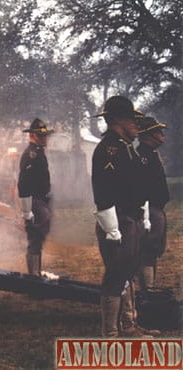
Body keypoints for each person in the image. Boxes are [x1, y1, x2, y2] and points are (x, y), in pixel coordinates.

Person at [91, 95, 159, 337]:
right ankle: (110, 332)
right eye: (132, 119)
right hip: (117, 219)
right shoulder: (108, 149)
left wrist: (144, 214)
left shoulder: (124, 146)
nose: (136, 125)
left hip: (131, 217)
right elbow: (104, 190)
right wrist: (111, 229)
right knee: (116, 273)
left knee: (128, 271)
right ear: (118, 119)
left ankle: (129, 325)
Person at [17, 118, 54, 276]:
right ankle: (34, 276)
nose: (44, 138)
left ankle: (36, 273)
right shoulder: (31, 154)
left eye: (45, 135)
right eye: (40, 135)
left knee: (39, 237)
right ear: (32, 135)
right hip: (34, 201)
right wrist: (27, 211)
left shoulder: (38, 152)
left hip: (41, 199)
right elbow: (23, 184)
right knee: (35, 238)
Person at [136, 116, 169, 289]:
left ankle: (148, 288)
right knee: (148, 250)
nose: (162, 135)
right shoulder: (143, 156)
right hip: (149, 210)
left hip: (156, 208)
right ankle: (146, 291)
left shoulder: (151, 154)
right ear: (149, 135)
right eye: (158, 132)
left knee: (153, 249)